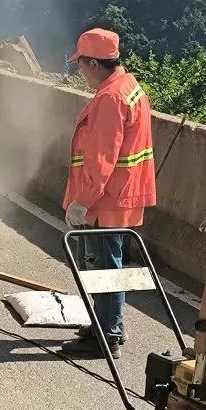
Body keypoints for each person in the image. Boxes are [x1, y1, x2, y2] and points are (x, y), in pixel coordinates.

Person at [59, 28, 156, 360]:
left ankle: (108, 336)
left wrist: (81, 202)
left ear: (95, 63)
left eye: (81, 66)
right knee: (107, 264)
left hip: (106, 198)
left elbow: (101, 159)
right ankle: (106, 323)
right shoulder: (129, 87)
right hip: (124, 194)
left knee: (105, 267)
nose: (81, 73)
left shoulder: (109, 98)